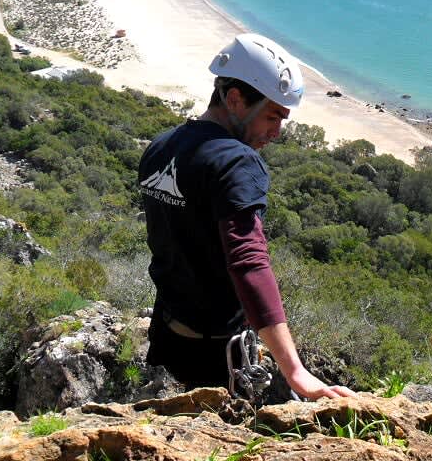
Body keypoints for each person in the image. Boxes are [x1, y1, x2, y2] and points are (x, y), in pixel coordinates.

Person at [138, 32, 355, 401]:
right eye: (273, 116)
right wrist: (296, 371)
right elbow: (248, 260)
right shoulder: (237, 162)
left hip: (167, 339)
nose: (277, 132)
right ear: (236, 99)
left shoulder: (161, 148)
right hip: (216, 356)